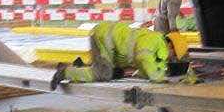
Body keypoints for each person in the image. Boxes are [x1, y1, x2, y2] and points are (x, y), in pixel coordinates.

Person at [51, 22, 189, 88]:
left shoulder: (158, 46)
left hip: (110, 42)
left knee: (116, 73)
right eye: (174, 55)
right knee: (102, 74)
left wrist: (187, 77)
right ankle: (65, 72)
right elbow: (144, 60)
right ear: (170, 46)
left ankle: (79, 66)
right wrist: (159, 78)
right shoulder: (153, 41)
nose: (173, 58)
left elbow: (147, 68)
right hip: (104, 37)